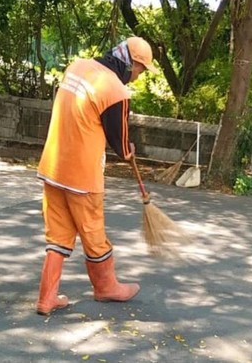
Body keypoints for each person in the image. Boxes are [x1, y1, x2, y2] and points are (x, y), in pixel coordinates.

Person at [35, 36, 159, 316]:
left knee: (59, 235)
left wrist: (123, 145)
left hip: (53, 168)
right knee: (94, 234)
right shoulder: (115, 89)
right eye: (140, 71)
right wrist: (128, 150)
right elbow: (121, 142)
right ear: (132, 63)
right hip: (82, 176)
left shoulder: (77, 67)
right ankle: (105, 287)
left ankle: (47, 298)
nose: (138, 78)